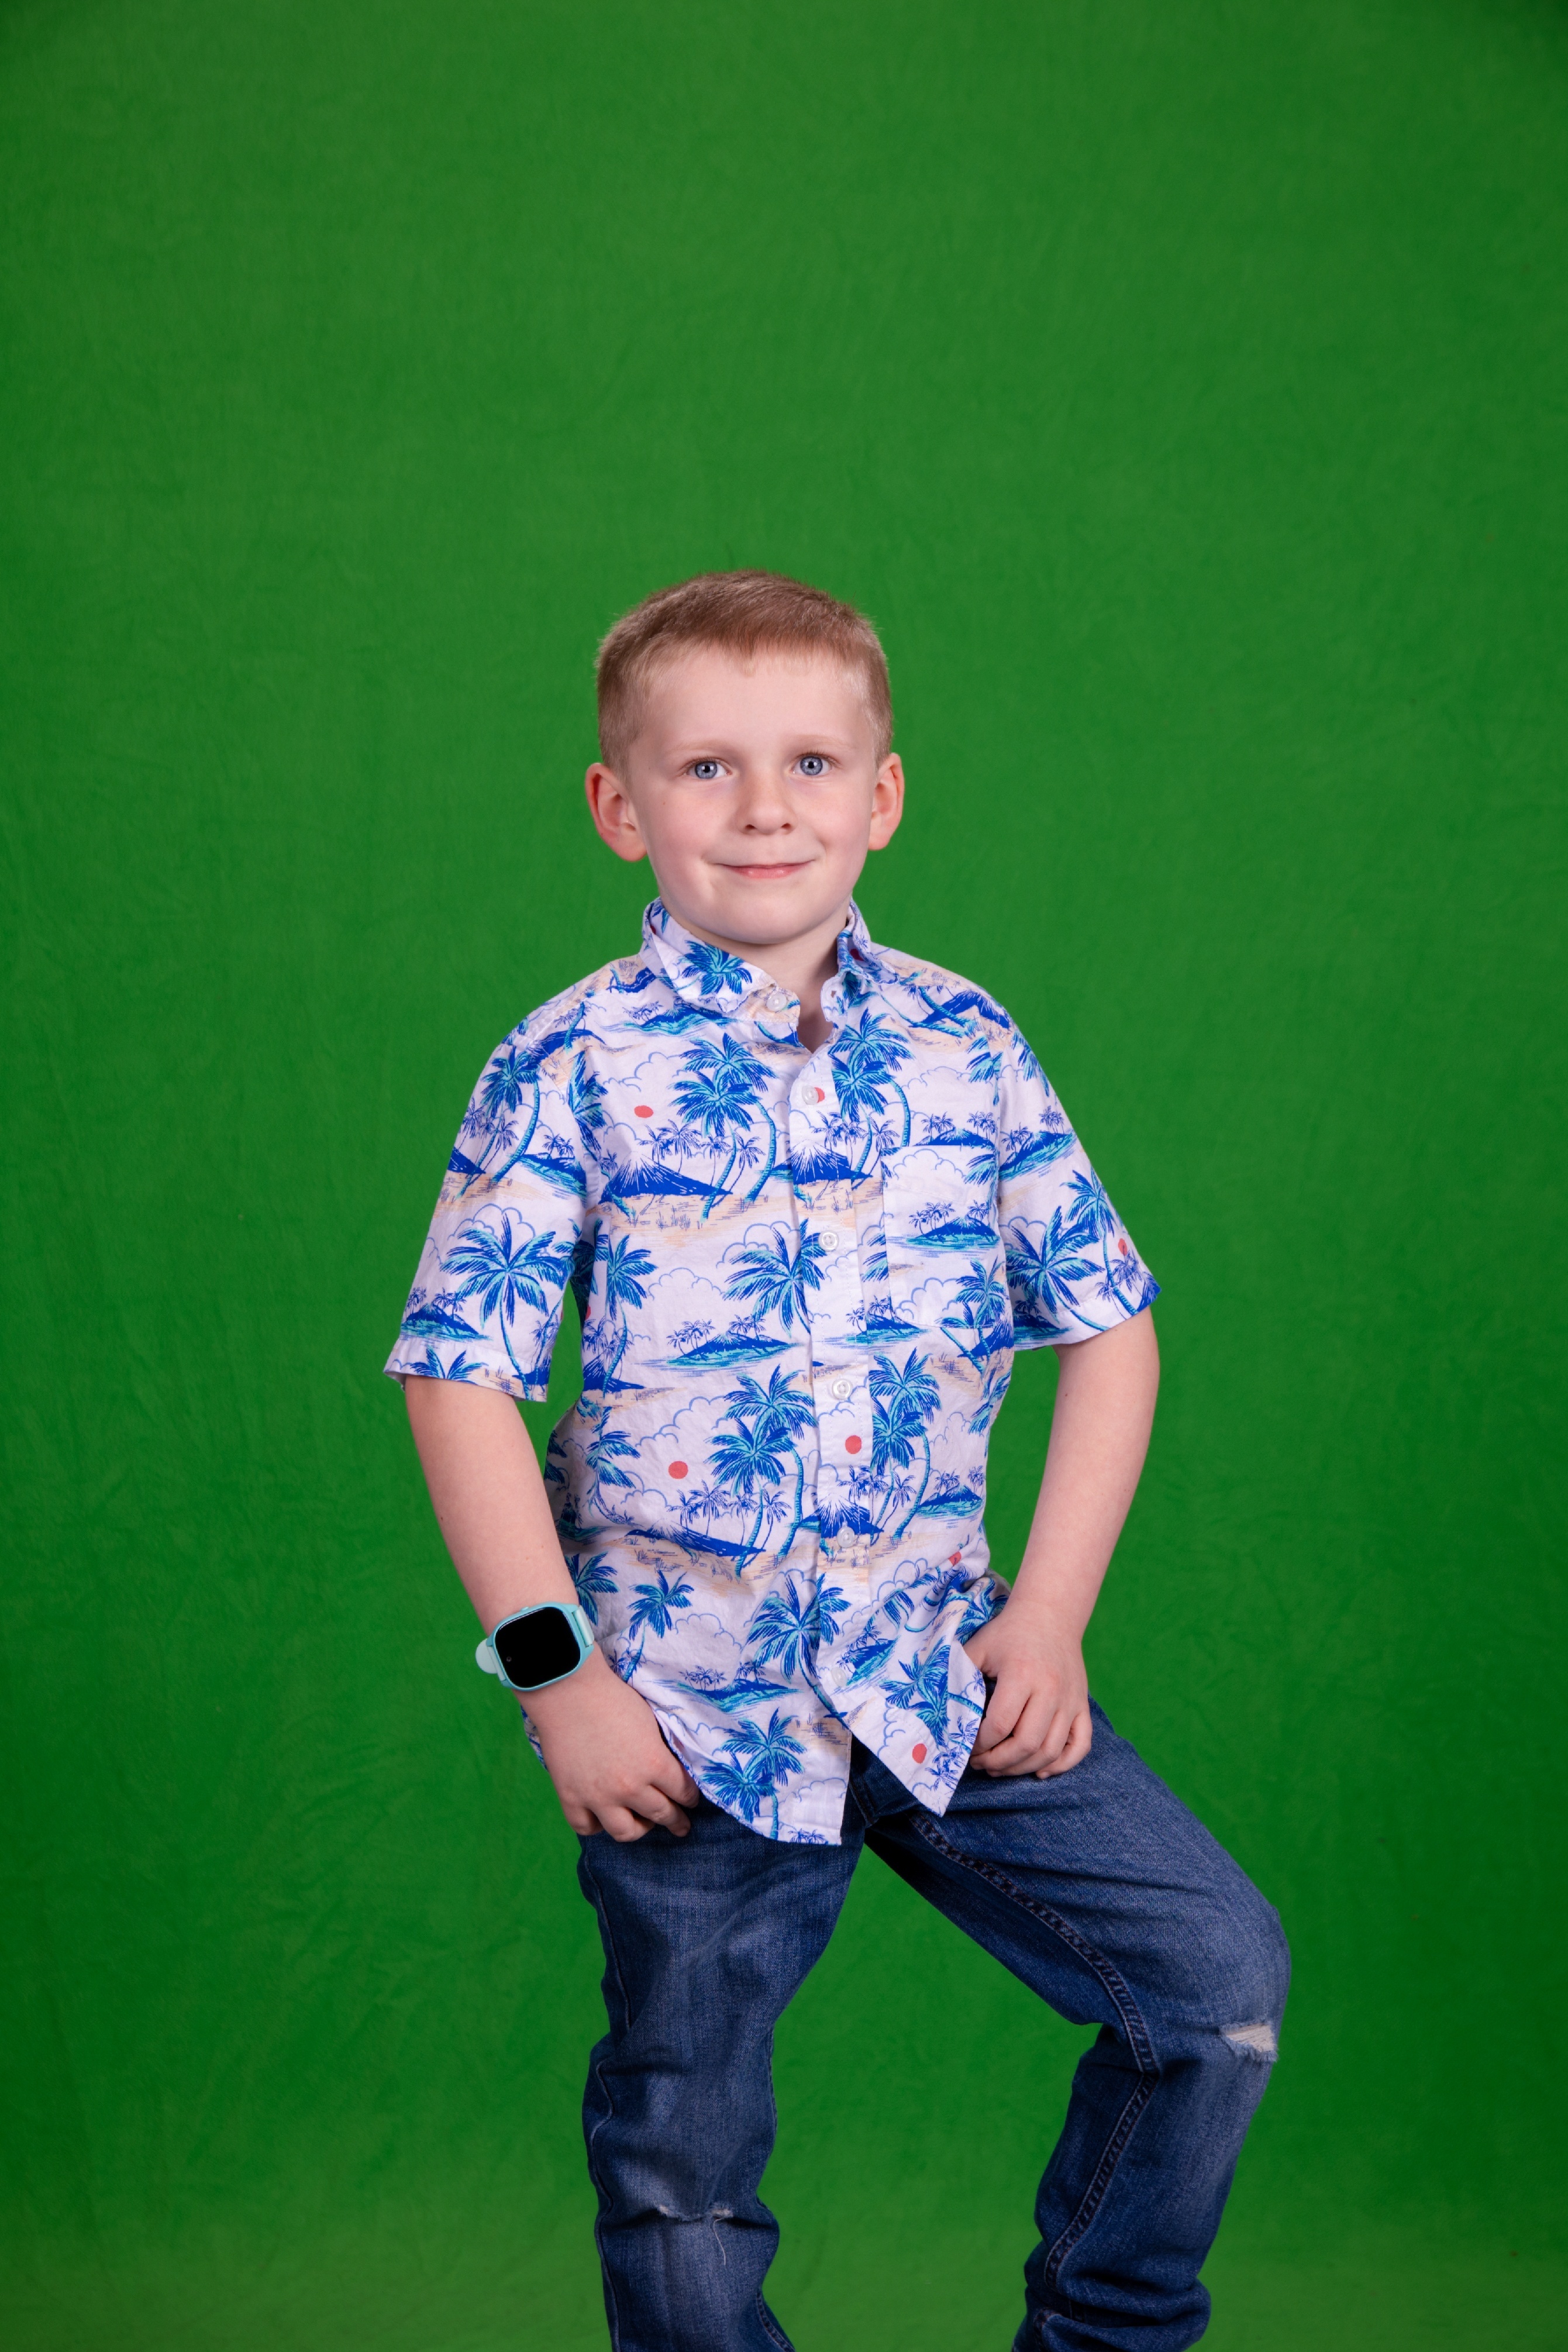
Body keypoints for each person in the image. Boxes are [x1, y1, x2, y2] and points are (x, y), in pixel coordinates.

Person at [388, 570, 1288, 2352]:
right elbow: (457, 1378)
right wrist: (559, 1681)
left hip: (943, 1670)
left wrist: (1048, 1619)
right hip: (686, 1721)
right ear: (619, 806)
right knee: (685, 2155)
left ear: (880, 796)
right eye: (705, 767)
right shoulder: (567, 1064)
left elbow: (1109, 1328)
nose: (763, 808)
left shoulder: (968, 1044)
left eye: (809, 763)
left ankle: (1104, 2335)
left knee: (1212, 1986)